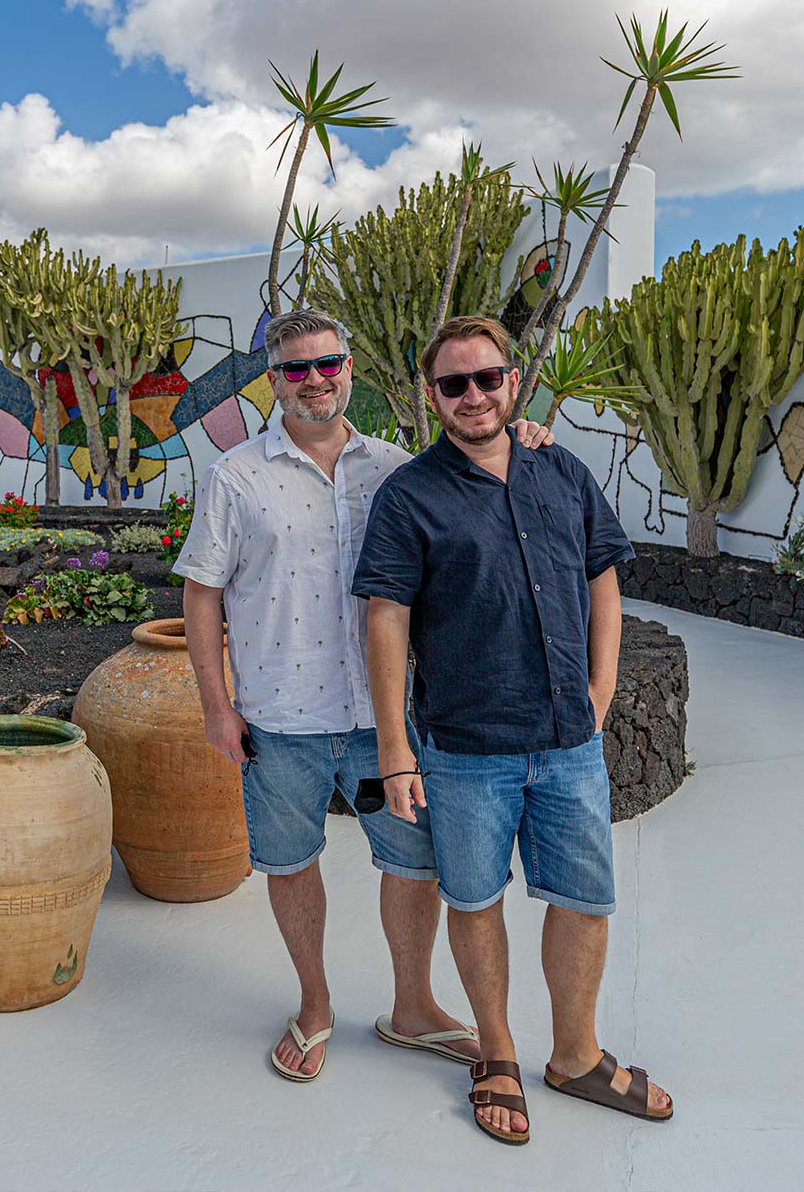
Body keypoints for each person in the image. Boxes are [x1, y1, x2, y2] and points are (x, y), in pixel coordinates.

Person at [175, 307, 556, 1083]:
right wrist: (218, 705)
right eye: (296, 368)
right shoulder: (235, 475)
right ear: (273, 380)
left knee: (413, 861)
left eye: (328, 364)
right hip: (279, 719)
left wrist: (527, 437)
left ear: (350, 367)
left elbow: (482, 456)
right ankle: (314, 1005)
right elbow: (202, 594)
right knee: (291, 860)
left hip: (383, 719)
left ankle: (412, 1007)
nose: (315, 380)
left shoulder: (396, 468)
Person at [353, 314, 674, 1144]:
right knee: (474, 898)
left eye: (487, 378)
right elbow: (384, 617)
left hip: (569, 740)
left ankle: (576, 1055)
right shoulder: (410, 494)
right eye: (454, 384)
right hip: (464, 748)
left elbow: (603, 575)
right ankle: (496, 1051)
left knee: (586, 900)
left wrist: (601, 688)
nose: (473, 395)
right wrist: (396, 749)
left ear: (513, 381)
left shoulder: (561, 470)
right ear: (433, 397)